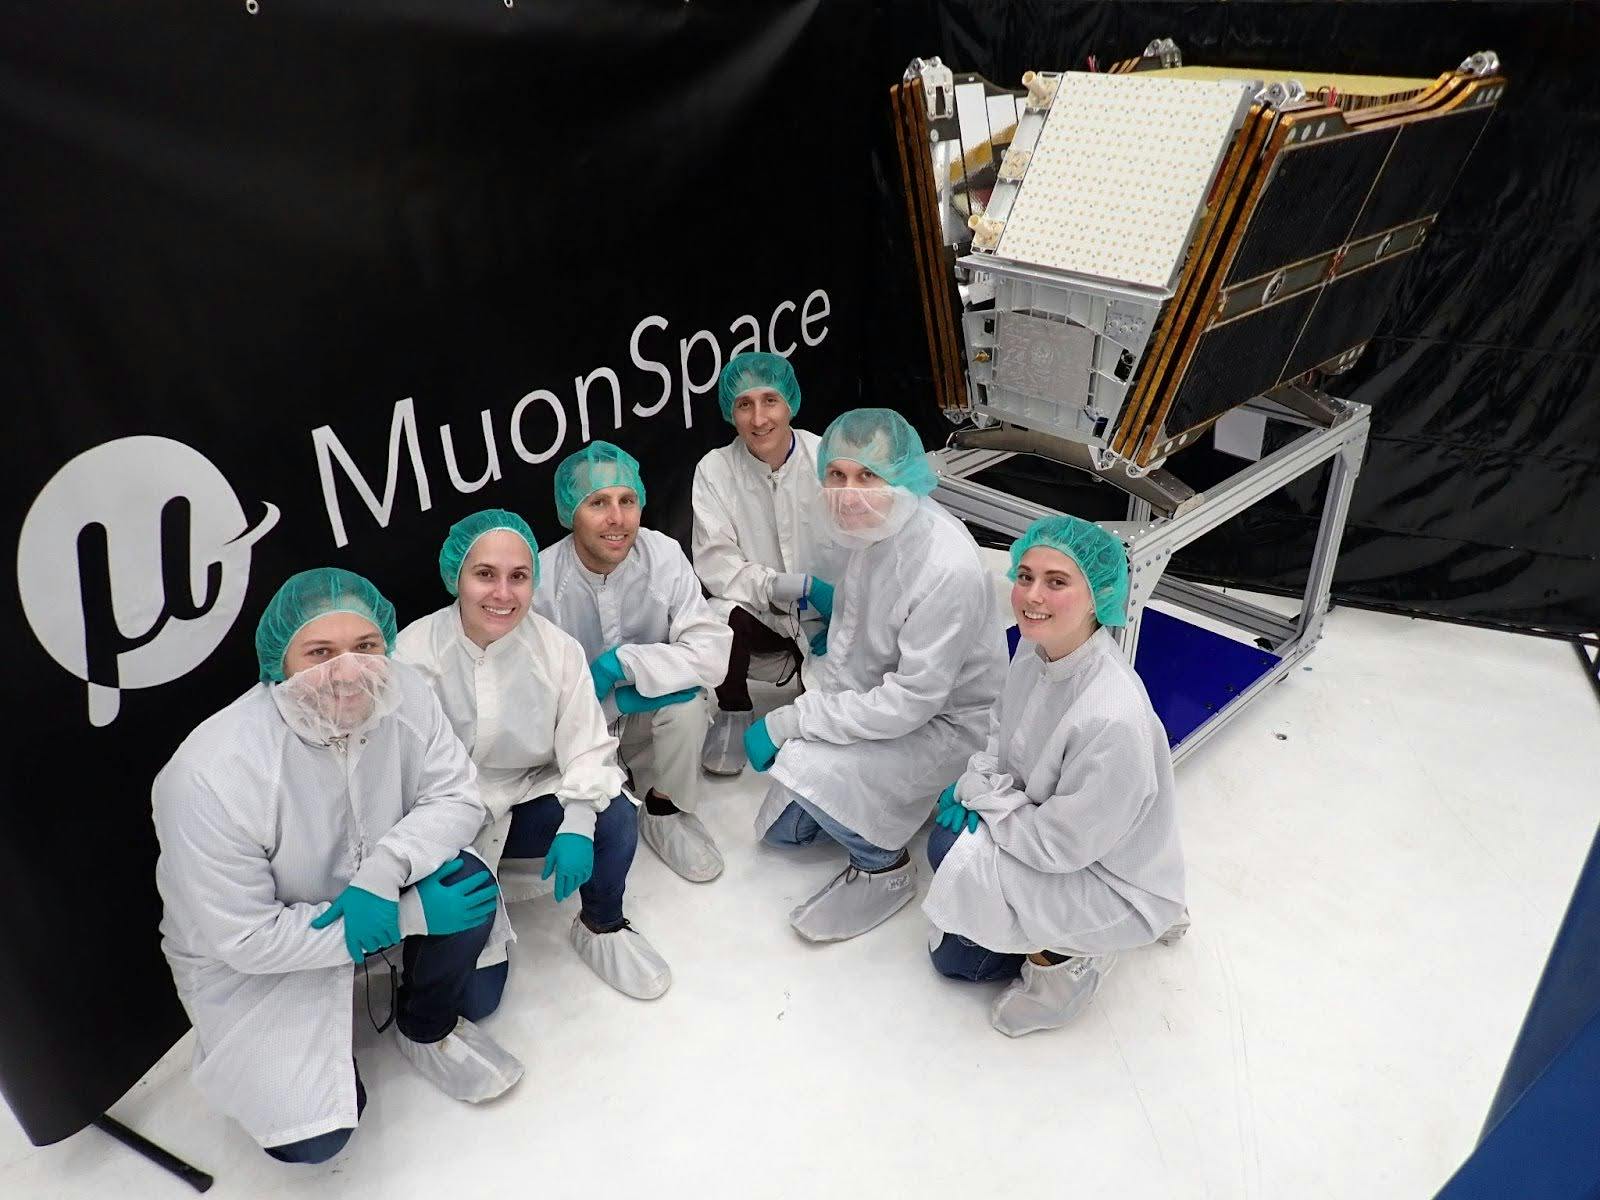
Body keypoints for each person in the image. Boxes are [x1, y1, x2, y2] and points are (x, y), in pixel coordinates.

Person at [152, 568, 523, 1165]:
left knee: (470, 917)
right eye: (321, 652)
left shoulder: (404, 692)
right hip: (264, 957)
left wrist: (384, 872)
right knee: (315, 1135)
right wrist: (405, 916)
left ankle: (422, 1021)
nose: (349, 673)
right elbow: (243, 939)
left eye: (366, 647)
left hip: (383, 889)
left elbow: (456, 795)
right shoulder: (210, 775)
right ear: (280, 662)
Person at [745, 408, 1007, 942]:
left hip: (948, 724)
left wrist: (795, 720)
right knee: (782, 835)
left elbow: (912, 701)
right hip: (890, 703)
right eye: (837, 476)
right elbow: (863, 629)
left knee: (805, 762)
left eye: (868, 476)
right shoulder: (875, 531)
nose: (848, 493)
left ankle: (883, 867)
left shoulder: (943, 565)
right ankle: (897, 807)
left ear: (905, 477)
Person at [921, 515, 1188, 1037]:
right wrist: (980, 784)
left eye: (1057, 581)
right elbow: (1001, 732)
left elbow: (1062, 848)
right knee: (950, 850)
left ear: (1099, 596)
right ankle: (1052, 937)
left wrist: (983, 801)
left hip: (1105, 876)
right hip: (1049, 831)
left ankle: (1073, 961)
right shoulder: (1035, 646)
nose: (1031, 595)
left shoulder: (1111, 717)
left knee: (956, 952)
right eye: (1025, 576)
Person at [396, 509, 671, 1002]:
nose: (503, 594)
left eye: (518, 577)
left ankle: (601, 923)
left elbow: (587, 743)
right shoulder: (414, 655)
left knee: (616, 815)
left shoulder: (555, 649)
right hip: (444, 819)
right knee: (477, 1001)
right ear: (456, 575)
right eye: (485, 575)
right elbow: (398, 780)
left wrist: (579, 822)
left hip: (527, 795)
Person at [535, 441, 733, 883]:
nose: (617, 518)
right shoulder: (542, 583)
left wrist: (622, 665)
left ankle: (664, 809)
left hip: (646, 721)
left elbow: (712, 651)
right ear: (570, 513)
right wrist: (610, 704)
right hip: (575, 734)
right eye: (598, 503)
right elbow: (535, 699)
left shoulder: (661, 554)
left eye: (627, 500)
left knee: (688, 703)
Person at [692, 352, 841, 775]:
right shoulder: (715, 471)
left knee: (835, 736)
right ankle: (734, 709)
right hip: (761, 616)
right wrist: (781, 587)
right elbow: (716, 562)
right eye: (744, 404)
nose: (759, 419)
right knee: (716, 614)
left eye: (770, 400)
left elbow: (860, 545)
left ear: (790, 403)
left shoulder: (825, 459)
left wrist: (842, 604)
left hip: (830, 619)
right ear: (730, 412)